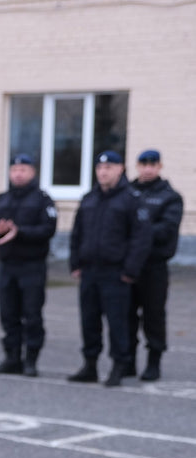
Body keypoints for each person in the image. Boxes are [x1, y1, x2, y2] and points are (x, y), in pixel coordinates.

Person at [67, 151, 151, 386]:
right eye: (100, 168)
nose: (103, 172)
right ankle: (90, 365)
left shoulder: (131, 199)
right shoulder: (89, 199)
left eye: (109, 168)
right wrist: (75, 263)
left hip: (116, 273)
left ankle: (118, 365)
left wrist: (130, 270)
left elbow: (141, 238)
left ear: (120, 169)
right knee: (89, 320)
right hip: (89, 271)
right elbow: (77, 234)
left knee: (117, 322)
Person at [0, 154, 58, 377]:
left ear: (32, 173)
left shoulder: (42, 199)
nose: (18, 173)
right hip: (7, 265)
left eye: (23, 169)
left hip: (32, 266)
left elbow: (48, 229)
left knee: (32, 314)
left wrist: (19, 232)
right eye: (15, 169)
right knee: (8, 314)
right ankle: (11, 357)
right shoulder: (2, 199)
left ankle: (31, 359)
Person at [127, 149, 184, 380]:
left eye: (152, 164)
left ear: (160, 166)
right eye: (143, 164)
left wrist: (138, 231)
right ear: (137, 166)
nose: (147, 168)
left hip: (153, 266)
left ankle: (154, 362)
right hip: (129, 265)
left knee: (153, 316)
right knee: (126, 316)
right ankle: (127, 360)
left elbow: (166, 231)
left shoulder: (170, 197)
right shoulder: (127, 193)